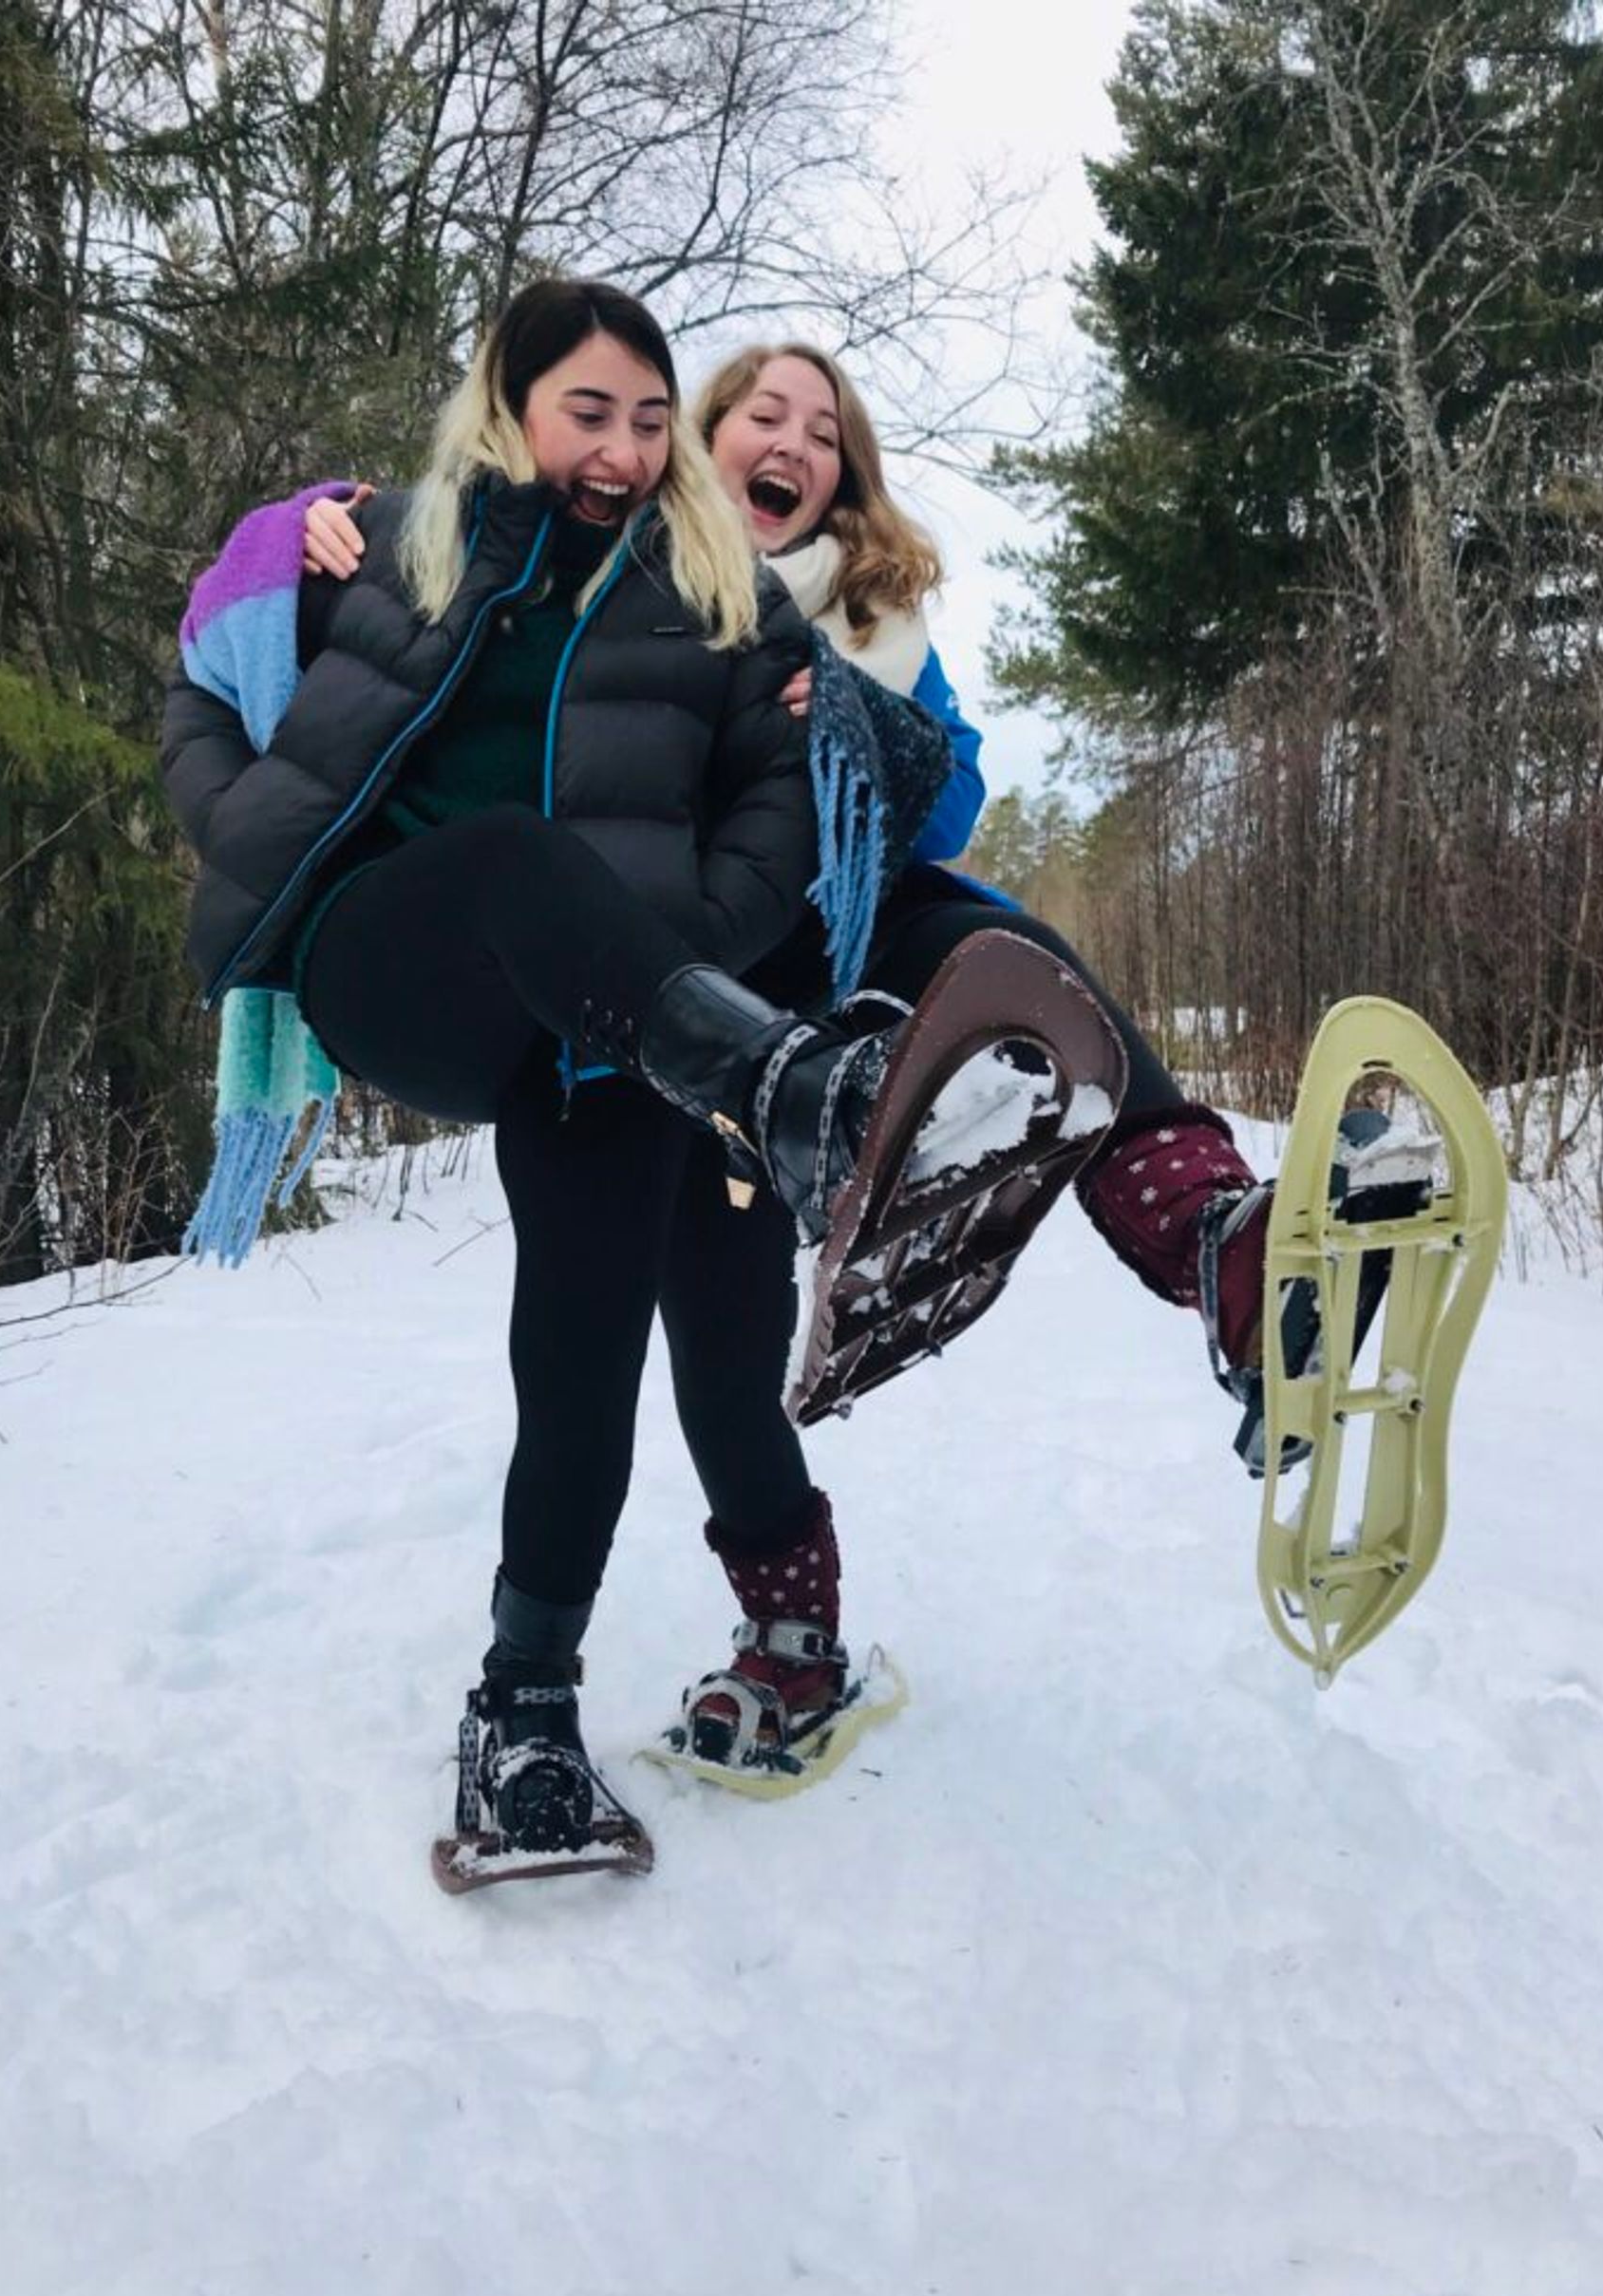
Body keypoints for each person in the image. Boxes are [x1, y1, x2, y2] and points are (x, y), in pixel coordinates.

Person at [286, 340, 1296, 1776]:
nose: (794, 441)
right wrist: (301, 523)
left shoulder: (874, 623)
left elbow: (947, 803)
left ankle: (1221, 1245)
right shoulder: (619, 578)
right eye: (765, 413)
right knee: (717, 1374)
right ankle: (782, 1646)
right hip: (656, 1017)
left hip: (822, 1009)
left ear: (843, 480)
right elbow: (446, 604)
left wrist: (857, 718)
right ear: (701, 443)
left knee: (988, 931)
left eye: (823, 432)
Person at [160, 278, 1037, 1855]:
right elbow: (206, 677)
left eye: (648, 421)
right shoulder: (394, 543)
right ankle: (785, 1086)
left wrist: (684, 952)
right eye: (590, 413)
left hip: (625, 1024)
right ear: (509, 408)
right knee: (510, 854)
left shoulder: (715, 594)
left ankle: (528, 1713)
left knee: (601, 1359)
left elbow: (790, 787)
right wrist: (248, 827)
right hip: (403, 959)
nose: (624, 451)